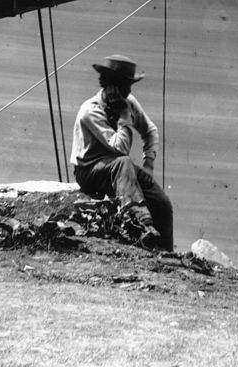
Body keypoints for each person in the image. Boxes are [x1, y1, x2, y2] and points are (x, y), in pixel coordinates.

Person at [71, 54, 174, 251]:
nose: (129, 91)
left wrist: (149, 165)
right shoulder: (91, 111)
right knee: (124, 162)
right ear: (112, 86)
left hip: (117, 166)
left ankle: (167, 251)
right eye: (125, 86)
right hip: (90, 169)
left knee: (162, 203)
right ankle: (140, 220)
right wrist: (124, 117)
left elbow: (150, 131)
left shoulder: (128, 101)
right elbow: (120, 148)